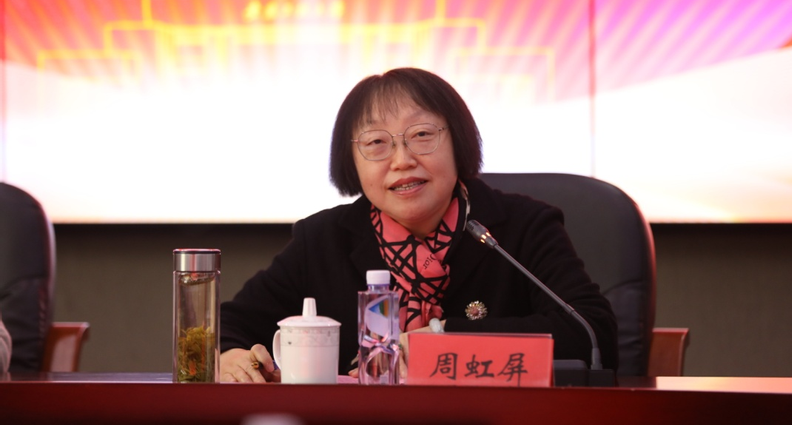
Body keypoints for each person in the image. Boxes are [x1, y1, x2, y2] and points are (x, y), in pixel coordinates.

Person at [220, 67, 618, 382]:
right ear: (351, 162)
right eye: (376, 143)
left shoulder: (521, 227)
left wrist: (443, 340)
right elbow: (229, 326)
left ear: (458, 141)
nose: (402, 160)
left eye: (422, 134)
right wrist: (231, 355)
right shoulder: (323, 239)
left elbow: (591, 332)